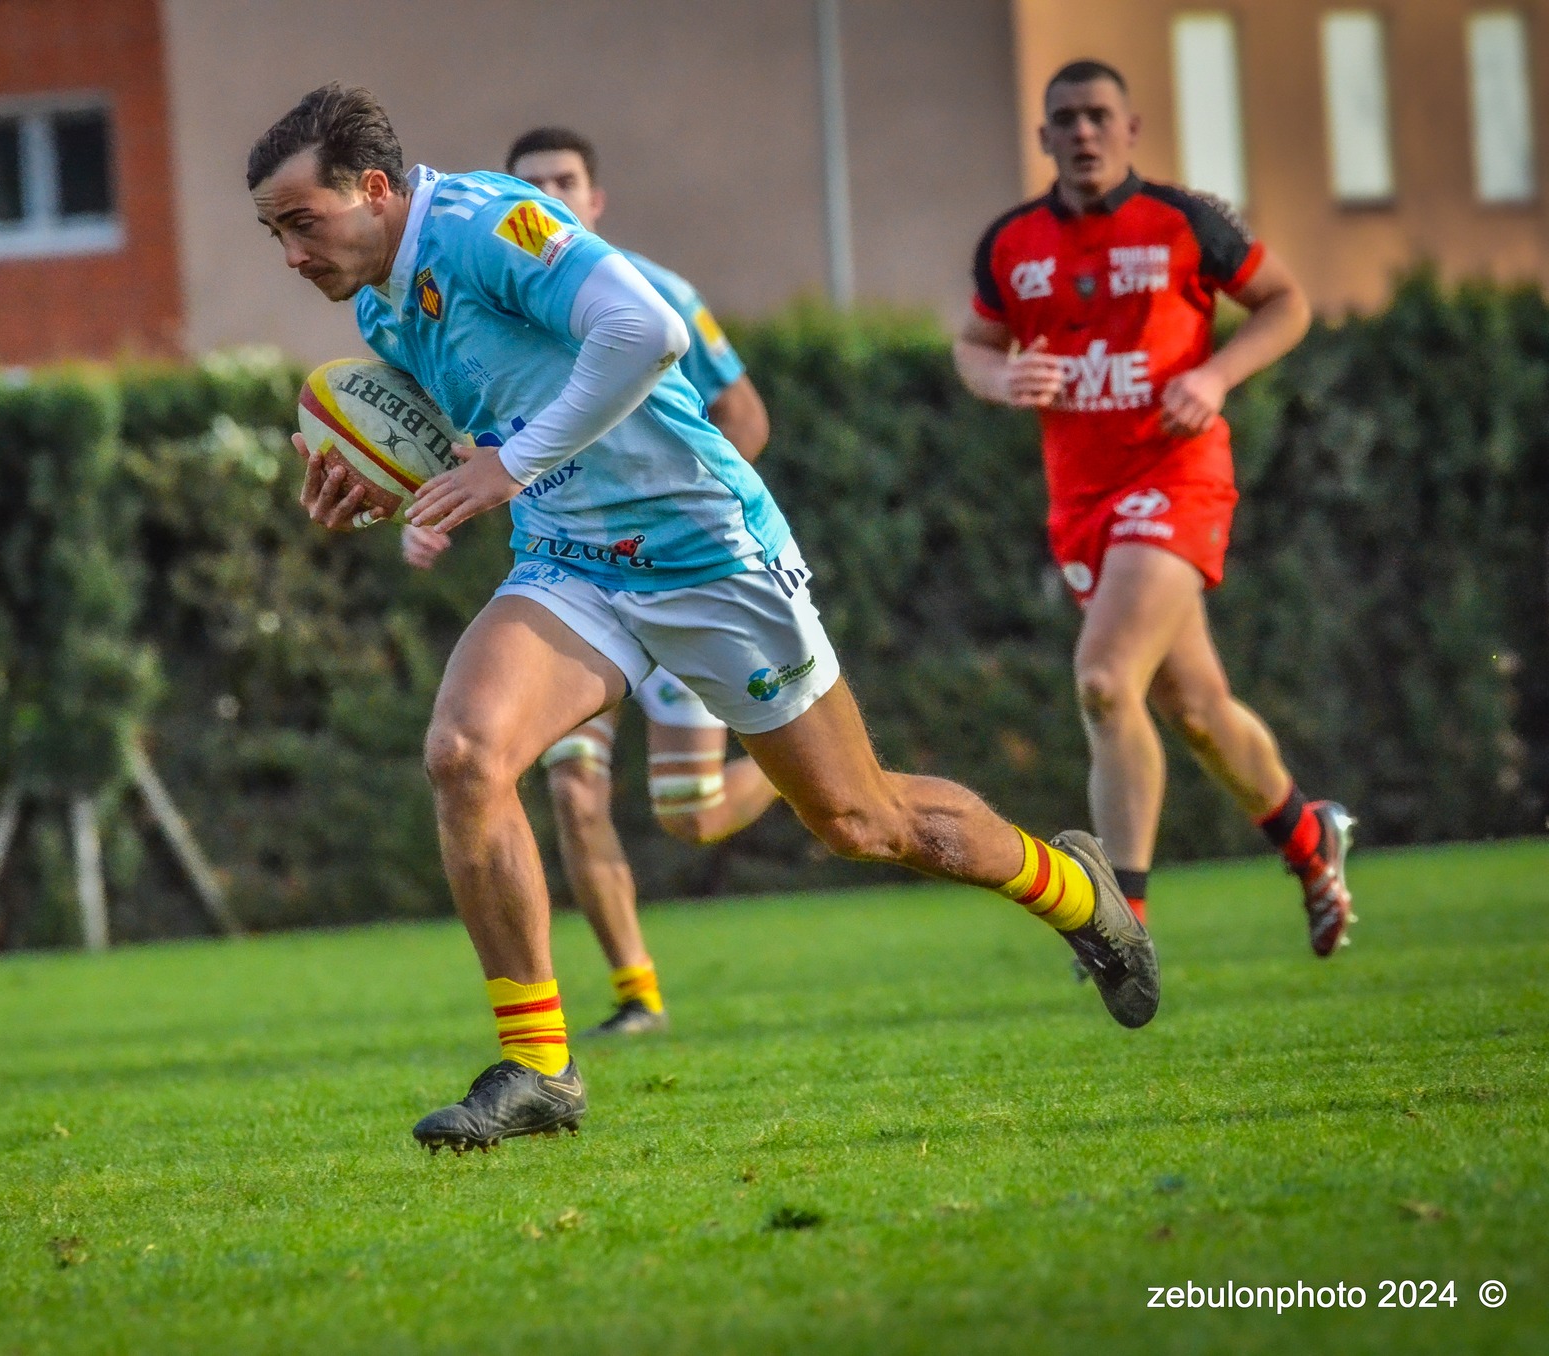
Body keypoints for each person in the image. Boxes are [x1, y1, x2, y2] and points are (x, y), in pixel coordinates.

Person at [249, 83, 1158, 1154]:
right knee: (463, 751)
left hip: (706, 555)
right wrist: (380, 483)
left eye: (300, 223)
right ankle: (540, 1065)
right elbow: (459, 431)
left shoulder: (487, 222)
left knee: (861, 822)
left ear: (370, 190)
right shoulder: (377, 306)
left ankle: (1073, 891)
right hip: (571, 561)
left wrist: (511, 464)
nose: (291, 254)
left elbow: (646, 331)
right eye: (272, 233)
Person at [953, 60, 1355, 958]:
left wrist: (1214, 375)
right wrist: (1002, 376)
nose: (1085, 132)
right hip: (1082, 501)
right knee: (1198, 707)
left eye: (1100, 116)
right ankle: (1307, 836)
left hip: (1177, 480)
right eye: (1067, 118)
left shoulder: (1186, 221)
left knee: (1103, 680)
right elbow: (973, 347)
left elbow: (1285, 303)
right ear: (1044, 137)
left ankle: (1121, 919)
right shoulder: (1011, 243)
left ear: (1131, 128)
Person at [399, 125, 779, 1039]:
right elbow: (466, 442)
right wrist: (426, 503)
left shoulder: (657, 293)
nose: (549, 198)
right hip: (572, 582)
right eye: (531, 185)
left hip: (680, 566)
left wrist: (686, 501)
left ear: (595, 199)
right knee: (568, 788)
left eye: (565, 182)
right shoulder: (467, 300)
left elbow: (744, 416)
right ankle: (635, 993)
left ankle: (784, 764)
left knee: (689, 813)